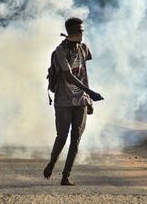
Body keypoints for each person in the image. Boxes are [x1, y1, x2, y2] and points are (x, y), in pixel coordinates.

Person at [44, 17, 104, 186]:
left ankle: (66, 176)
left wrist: (88, 99)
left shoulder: (84, 49)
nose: (82, 33)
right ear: (71, 32)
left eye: (82, 30)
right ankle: (52, 163)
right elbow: (69, 75)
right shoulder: (60, 51)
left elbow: (84, 73)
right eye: (79, 30)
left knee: (75, 139)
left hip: (81, 101)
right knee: (62, 137)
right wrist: (90, 92)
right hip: (64, 100)